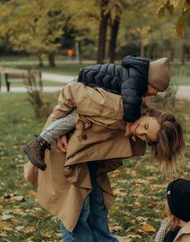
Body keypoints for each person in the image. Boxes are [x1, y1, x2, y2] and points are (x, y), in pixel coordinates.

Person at [24, 83, 184, 242]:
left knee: (97, 208)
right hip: (62, 153)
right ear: (150, 118)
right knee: (77, 213)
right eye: (145, 127)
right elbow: (72, 91)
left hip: (86, 157)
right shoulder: (116, 106)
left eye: (148, 139)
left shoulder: (137, 116)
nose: (141, 133)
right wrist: (55, 129)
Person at [23, 56, 170, 171]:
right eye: (156, 90)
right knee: (75, 117)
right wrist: (130, 123)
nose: (155, 94)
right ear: (150, 82)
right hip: (85, 83)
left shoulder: (134, 81)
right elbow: (130, 106)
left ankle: (43, 140)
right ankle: (41, 141)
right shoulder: (134, 82)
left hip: (89, 84)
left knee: (78, 116)